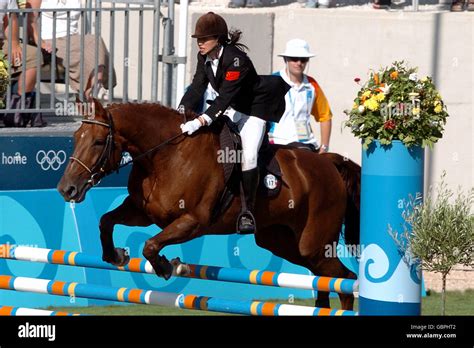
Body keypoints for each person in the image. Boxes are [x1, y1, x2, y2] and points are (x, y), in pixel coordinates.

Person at [178, 12, 289, 234]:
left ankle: (247, 212)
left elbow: (224, 98)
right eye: (198, 39)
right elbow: (197, 87)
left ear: (218, 39)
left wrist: (200, 120)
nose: (200, 43)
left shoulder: (238, 60)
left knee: (248, 155)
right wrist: (181, 111)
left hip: (253, 111)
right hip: (233, 109)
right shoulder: (205, 57)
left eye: (204, 39)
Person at [28, 0, 116, 101]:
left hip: (73, 39)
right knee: (93, 42)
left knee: (94, 42)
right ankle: (93, 91)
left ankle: (95, 88)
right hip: (49, 40)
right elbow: (30, 21)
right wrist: (41, 43)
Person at [269, 39, 332, 154]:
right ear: (285, 59)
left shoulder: (312, 84)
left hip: (306, 142)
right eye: (294, 58)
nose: (299, 63)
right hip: (277, 142)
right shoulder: (273, 81)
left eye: (303, 59)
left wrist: (324, 148)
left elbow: (325, 116)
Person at [1, 0, 44, 127]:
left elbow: (11, 19)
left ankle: (17, 109)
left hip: (1, 43)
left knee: (33, 55)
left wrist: (14, 44)